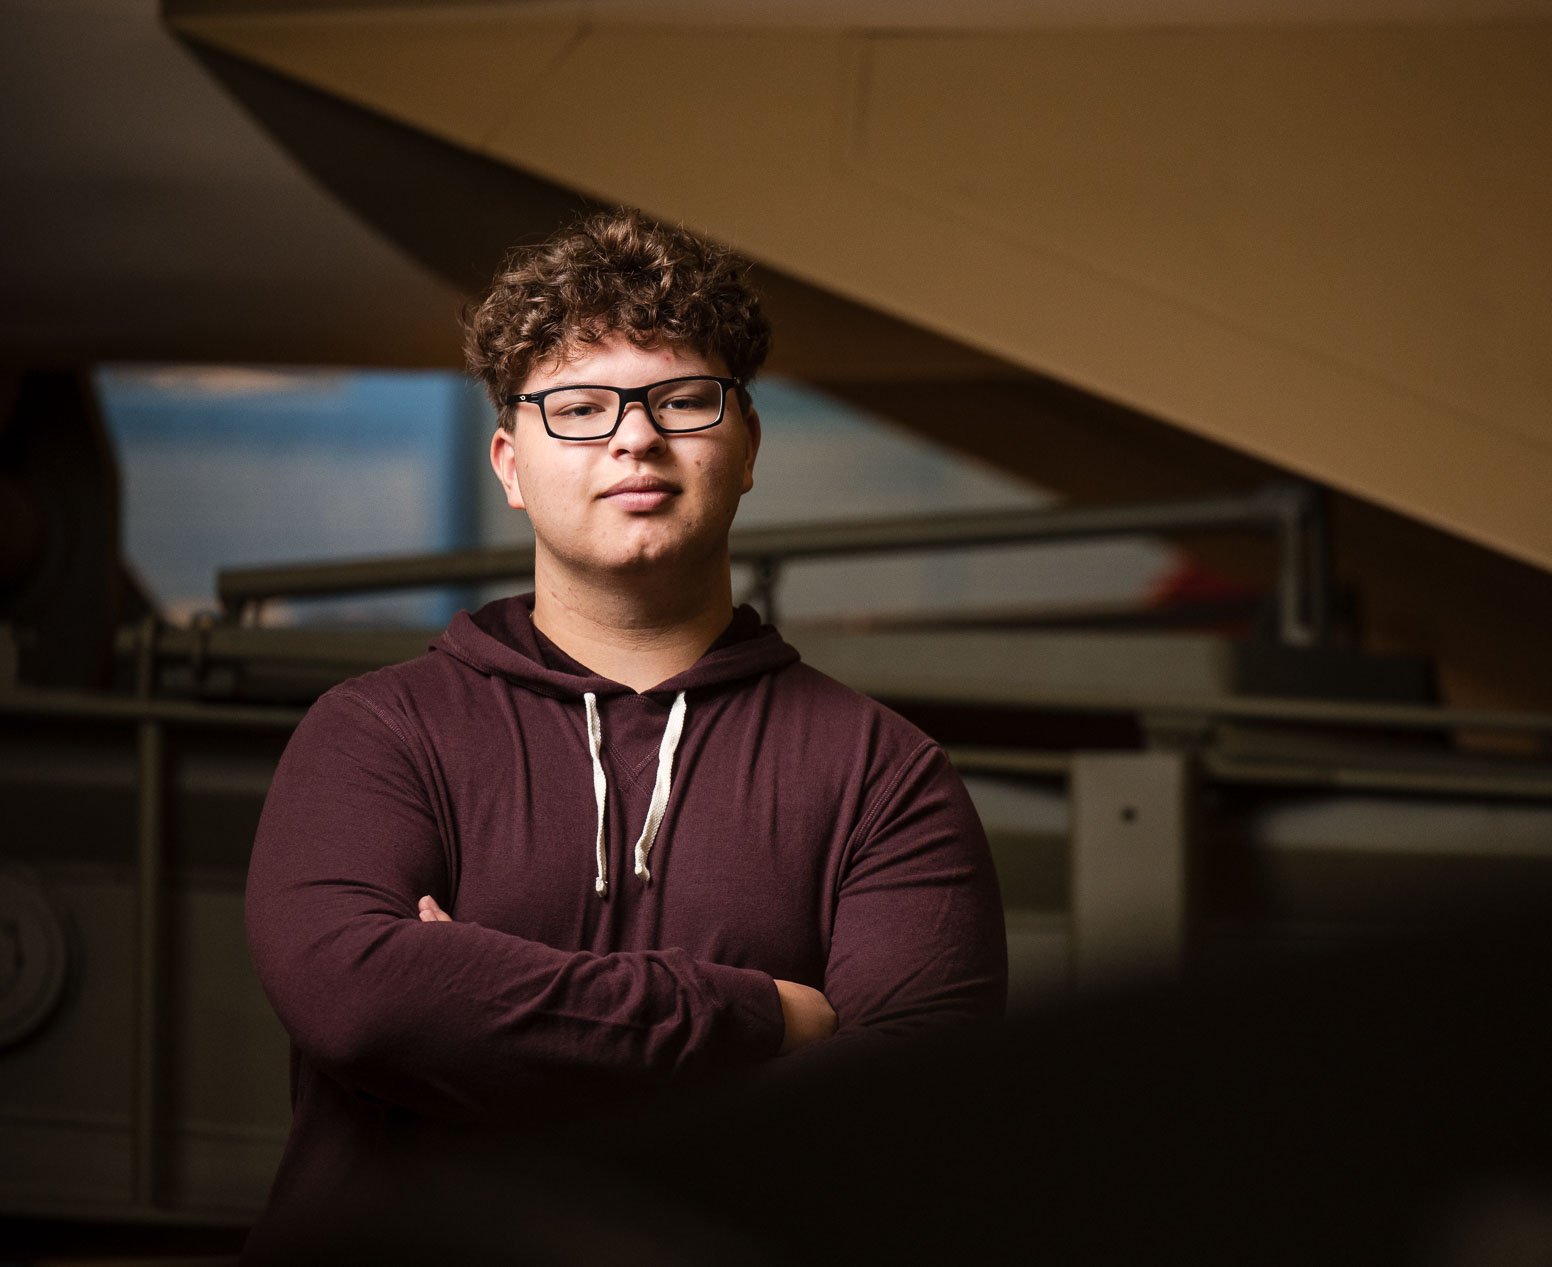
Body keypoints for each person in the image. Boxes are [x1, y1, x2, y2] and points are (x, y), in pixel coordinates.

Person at [242, 209, 1008, 1250]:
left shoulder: (884, 773)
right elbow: (362, 1003)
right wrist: (764, 1021)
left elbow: (909, 1112)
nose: (634, 436)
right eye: (581, 407)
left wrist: (471, 1000)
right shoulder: (377, 731)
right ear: (512, 464)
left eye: (683, 400)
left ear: (745, 447)